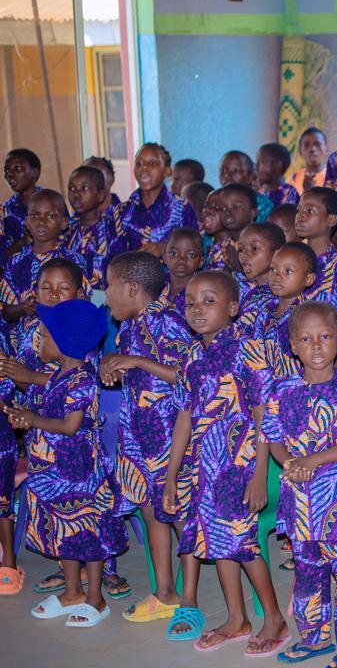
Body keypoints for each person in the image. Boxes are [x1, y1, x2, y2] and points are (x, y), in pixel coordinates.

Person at [159, 270, 287, 655]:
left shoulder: (250, 350)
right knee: (218, 541)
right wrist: (170, 475)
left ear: (232, 308)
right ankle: (237, 618)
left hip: (242, 466)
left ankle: (274, 618)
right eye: (191, 302)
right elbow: (184, 416)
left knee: (243, 543)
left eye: (209, 301)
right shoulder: (191, 357)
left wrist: (261, 474)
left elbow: (266, 413)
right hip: (205, 468)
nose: (197, 309)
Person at [3, 298, 126, 627]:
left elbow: (71, 426)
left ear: (64, 342)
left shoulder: (82, 380)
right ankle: (72, 591)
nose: (38, 339)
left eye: (44, 334)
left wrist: (33, 419)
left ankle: (95, 598)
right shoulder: (58, 375)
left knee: (88, 532)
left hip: (80, 474)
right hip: (54, 472)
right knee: (63, 532)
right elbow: (47, 415)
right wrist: (25, 419)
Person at [263, 302, 337, 668]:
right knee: (307, 574)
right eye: (306, 339)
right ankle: (315, 638)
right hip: (299, 502)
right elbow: (273, 437)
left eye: (325, 337)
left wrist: (311, 461)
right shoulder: (283, 389)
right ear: (293, 345)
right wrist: (288, 461)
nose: (317, 346)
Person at [100, 251, 197, 635]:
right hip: (141, 440)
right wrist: (117, 366)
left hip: (173, 440)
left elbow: (188, 377)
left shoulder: (168, 323)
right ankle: (165, 593)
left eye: (109, 286)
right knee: (152, 513)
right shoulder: (131, 326)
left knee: (183, 519)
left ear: (132, 288)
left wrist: (134, 362)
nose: (106, 295)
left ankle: (189, 602)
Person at [0, 259, 85, 597]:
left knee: (80, 503)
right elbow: (16, 375)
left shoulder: (79, 329)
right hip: (39, 432)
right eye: (45, 288)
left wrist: (29, 377)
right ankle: (67, 569)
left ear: (79, 294)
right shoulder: (31, 330)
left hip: (71, 434)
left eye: (62, 288)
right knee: (51, 502)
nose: (52, 294)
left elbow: (80, 380)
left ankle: (101, 570)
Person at [1, 189, 87, 326]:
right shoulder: (15, 262)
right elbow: (6, 313)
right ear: (26, 222)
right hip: (23, 343)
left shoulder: (73, 261)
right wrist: (23, 308)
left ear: (64, 222)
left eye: (50, 216)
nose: (41, 222)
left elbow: (83, 303)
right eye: (34, 216)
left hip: (61, 340)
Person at [111, 142, 199, 258]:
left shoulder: (181, 207)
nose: (144, 168)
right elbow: (114, 255)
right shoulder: (123, 211)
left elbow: (195, 248)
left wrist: (165, 248)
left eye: (152, 163)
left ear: (167, 171)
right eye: (139, 163)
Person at [257, 242, 318, 381]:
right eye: (273, 269)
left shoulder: (310, 316)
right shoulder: (262, 311)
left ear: (308, 279)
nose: (277, 276)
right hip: (265, 387)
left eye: (288, 271)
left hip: (296, 389)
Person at [295, 189, 337, 316]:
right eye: (298, 210)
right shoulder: (292, 260)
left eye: (309, 211)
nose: (300, 216)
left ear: (331, 220)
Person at [63, 165, 113, 291]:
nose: (76, 194)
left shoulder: (112, 230)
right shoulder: (66, 231)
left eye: (84, 188)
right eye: (72, 188)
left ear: (100, 195)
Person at [235, 221, 285, 326]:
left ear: (277, 253)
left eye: (254, 248)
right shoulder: (236, 286)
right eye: (241, 249)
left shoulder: (283, 294)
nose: (245, 254)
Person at [209, 183, 259, 272]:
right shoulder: (218, 250)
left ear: (253, 212)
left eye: (236, 207)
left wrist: (237, 264)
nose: (227, 212)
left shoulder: (262, 245)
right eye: (222, 208)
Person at [1, 148, 43, 255]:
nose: (10, 174)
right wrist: (23, 241)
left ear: (35, 172)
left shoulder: (51, 203)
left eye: (17, 168)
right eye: (6, 170)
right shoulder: (5, 211)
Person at [160, 227, 205, 318]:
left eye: (191, 255)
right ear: (164, 258)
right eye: (173, 253)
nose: (181, 260)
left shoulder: (203, 292)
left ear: (201, 262)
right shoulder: (155, 286)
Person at [220, 150, 273, 222]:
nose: (227, 175)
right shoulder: (216, 200)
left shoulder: (263, 205)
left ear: (250, 177)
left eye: (235, 171)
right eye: (224, 171)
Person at [255, 142, 301, 207]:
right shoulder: (258, 191)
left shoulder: (289, 192)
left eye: (262, 162)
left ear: (278, 166)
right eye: (257, 162)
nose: (256, 167)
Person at [287, 127, 329, 195]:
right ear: (300, 151)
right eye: (306, 145)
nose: (312, 149)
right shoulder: (293, 180)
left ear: (326, 149)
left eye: (317, 144)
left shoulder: (335, 178)